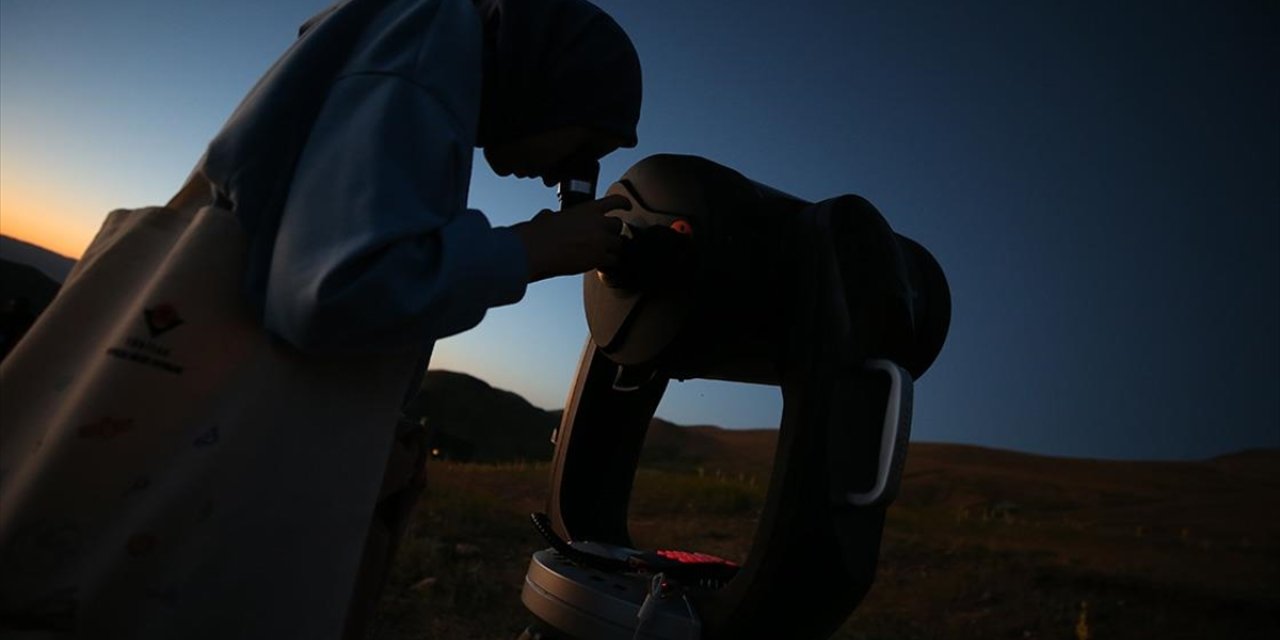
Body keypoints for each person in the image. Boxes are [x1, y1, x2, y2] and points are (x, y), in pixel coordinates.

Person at [0, 0, 641, 638]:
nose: (565, 175)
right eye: (586, 144)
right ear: (561, 81)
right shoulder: (431, 37)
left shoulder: (406, 43)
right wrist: (528, 251)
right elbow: (333, 290)